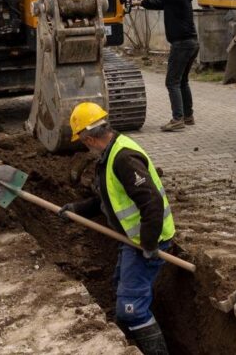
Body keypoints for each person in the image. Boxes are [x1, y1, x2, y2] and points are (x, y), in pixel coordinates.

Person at [59, 102, 175, 355]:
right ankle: (126, 343)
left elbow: (152, 203)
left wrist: (149, 244)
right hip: (133, 239)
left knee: (132, 308)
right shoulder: (110, 154)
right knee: (121, 289)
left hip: (148, 240)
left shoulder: (123, 158)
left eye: (83, 142)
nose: (85, 147)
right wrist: (77, 209)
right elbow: (108, 199)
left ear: (89, 139)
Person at [125, 0, 198, 131]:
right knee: (182, 81)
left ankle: (177, 119)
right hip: (191, 43)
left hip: (182, 44)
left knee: (172, 82)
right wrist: (140, 3)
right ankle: (188, 116)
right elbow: (158, 3)